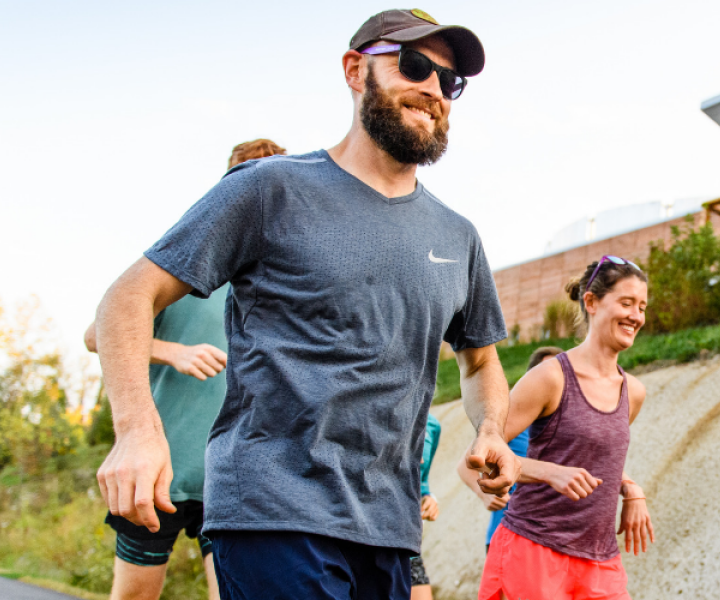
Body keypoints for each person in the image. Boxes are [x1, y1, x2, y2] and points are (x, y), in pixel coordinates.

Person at [90, 9, 520, 600]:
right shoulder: (269, 188)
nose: (433, 90)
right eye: (414, 65)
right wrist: (137, 430)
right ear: (354, 69)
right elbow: (127, 298)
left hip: (390, 526)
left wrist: (490, 428)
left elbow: (479, 362)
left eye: (450, 82)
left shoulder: (457, 236)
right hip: (273, 511)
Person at [83, 138, 284, 600]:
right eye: (246, 178)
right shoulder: (187, 271)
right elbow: (97, 334)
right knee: (135, 595)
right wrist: (172, 350)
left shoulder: (283, 290)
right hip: (162, 471)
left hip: (236, 480)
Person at [478, 257, 654, 600]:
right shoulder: (550, 377)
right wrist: (548, 472)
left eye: (642, 307)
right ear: (591, 302)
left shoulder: (633, 392)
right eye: (627, 303)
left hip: (600, 559)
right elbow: (485, 453)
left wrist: (631, 489)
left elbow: (594, 456)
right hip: (534, 549)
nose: (636, 316)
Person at [458, 347, 560, 553]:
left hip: (553, 539)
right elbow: (465, 465)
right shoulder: (511, 422)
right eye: (546, 371)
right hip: (507, 537)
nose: (553, 378)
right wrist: (483, 493)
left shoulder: (566, 430)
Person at [411, 413, 442, 600]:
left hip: (408, 542)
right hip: (365, 539)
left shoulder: (432, 426)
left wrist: (428, 498)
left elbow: (422, 481)